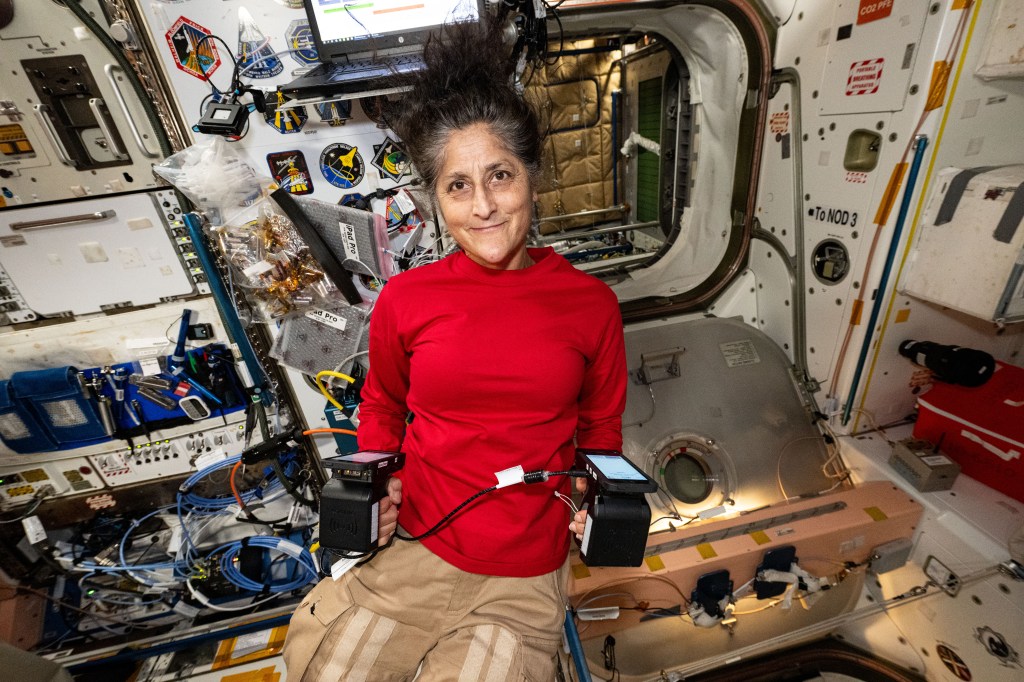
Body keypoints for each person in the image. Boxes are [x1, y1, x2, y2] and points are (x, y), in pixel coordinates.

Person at [283, 16, 626, 681]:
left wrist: (592, 497)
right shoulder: (406, 299)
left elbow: (600, 431)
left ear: (532, 175)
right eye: (458, 185)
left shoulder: (591, 306)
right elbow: (381, 406)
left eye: (499, 175)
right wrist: (377, 486)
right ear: (436, 198)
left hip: (523, 576)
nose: (484, 206)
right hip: (414, 549)